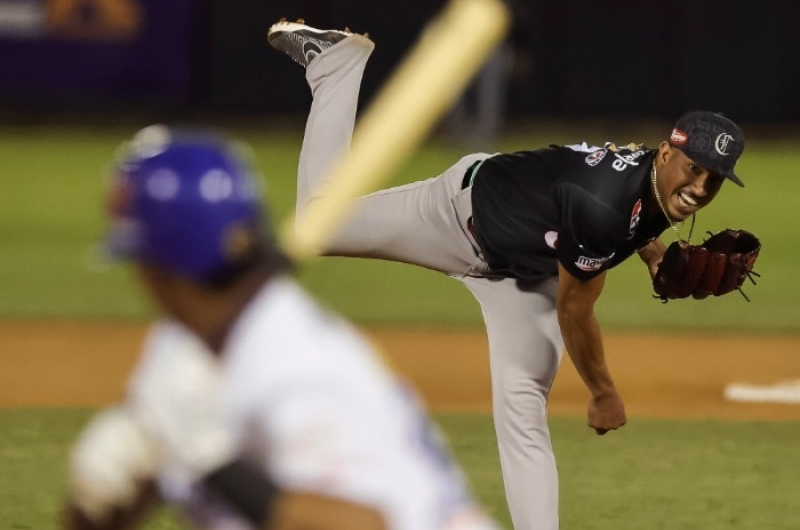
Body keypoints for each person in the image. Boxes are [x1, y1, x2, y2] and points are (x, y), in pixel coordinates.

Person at [267, 19, 747, 530]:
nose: (699, 186)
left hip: (527, 270)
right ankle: (338, 65)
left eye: (713, 180)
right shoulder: (603, 204)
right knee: (315, 226)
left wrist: (653, 255)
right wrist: (603, 392)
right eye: (693, 168)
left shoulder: (645, 180)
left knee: (522, 407)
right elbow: (574, 309)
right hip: (455, 218)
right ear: (667, 152)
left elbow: (615, 219)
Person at [63, 125, 502, 530]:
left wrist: (218, 469)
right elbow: (142, 479)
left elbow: (367, 525)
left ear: (158, 267)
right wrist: (101, 498)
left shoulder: (297, 365)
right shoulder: (181, 345)